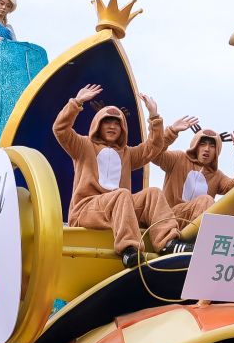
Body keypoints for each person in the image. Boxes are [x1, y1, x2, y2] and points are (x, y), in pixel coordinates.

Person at [53, 84, 185, 266]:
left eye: (117, 123)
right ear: (98, 124)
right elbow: (60, 129)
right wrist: (76, 103)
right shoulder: (83, 146)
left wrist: (154, 116)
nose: (112, 126)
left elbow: (153, 147)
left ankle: (168, 243)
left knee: (152, 193)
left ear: (123, 129)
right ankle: (129, 249)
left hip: (120, 207)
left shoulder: (127, 154)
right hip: (87, 209)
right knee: (121, 194)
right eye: (107, 122)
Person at [154, 126, 234, 239]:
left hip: (200, 223)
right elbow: (154, 154)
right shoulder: (178, 159)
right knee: (206, 200)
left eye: (212, 146)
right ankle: (198, 239)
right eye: (202, 144)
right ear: (195, 145)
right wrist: (171, 132)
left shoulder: (217, 175)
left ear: (217, 151)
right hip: (171, 219)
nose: (207, 149)